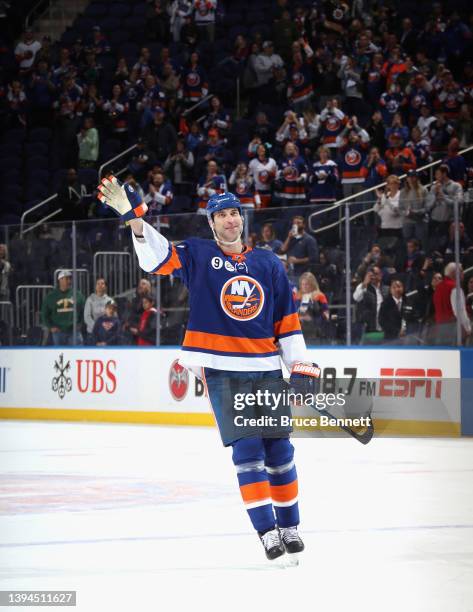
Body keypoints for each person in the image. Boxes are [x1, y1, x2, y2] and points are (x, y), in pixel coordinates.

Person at [98, 177, 321, 561]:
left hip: (266, 369)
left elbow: (286, 321)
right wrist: (135, 220)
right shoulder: (199, 256)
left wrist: (300, 364)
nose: (231, 220)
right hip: (222, 371)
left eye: (235, 213)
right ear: (212, 223)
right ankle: (267, 532)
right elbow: (158, 258)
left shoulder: (267, 262)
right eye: (223, 215)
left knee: (281, 451)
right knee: (248, 450)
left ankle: (291, 526)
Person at [41, 270, 85, 345]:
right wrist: (50, 327)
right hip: (58, 332)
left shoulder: (78, 295)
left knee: (77, 354)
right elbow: (44, 314)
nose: (69, 281)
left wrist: (80, 324)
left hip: (74, 332)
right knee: (59, 355)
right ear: (60, 280)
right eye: (67, 279)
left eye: (70, 279)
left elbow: (83, 311)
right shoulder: (51, 296)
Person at [433, 262, 471, 345]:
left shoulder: (438, 288)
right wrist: (467, 328)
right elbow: (459, 311)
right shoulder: (455, 287)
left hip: (440, 329)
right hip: (453, 329)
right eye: (461, 272)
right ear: (455, 273)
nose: (463, 274)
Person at [279, 216, 319, 280]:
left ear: (304, 225)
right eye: (294, 223)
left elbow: (314, 258)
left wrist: (297, 261)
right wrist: (289, 238)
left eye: (298, 223)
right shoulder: (290, 238)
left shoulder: (309, 239)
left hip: (302, 272)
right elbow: (281, 251)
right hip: (289, 272)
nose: (296, 225)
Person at [295, 272, 329, 344]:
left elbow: (326, 313)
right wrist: (299, 317)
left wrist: (313, 318)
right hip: (298, 330)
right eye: (302, 284)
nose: (304, 286)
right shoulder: (296, 296)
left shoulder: (320, 296)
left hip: (314, 328)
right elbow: (291, 312)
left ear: (312, 285)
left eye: (307, 284)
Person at [379, 279, 406, 343]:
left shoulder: (409, 302)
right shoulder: (385, 304)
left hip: (408, 337)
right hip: (390, 338)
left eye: (399, 286)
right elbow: (382, 321)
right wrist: (397, 331)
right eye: (394, 287)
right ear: (390, 290)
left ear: (403, 288)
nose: (397, 289)